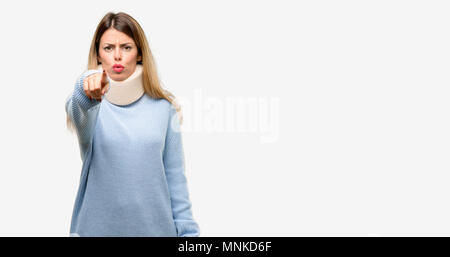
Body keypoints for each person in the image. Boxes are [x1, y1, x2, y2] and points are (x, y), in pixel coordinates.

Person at [64, 12, 200, 237]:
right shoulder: (90, 106)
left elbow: (175, 180)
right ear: (98, 54)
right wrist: (85, 84)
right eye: (108, 48)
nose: (117, 56)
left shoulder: (164, 108)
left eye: (126, 47)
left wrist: (188, 235)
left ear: (139, 54)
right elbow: (75, 106)